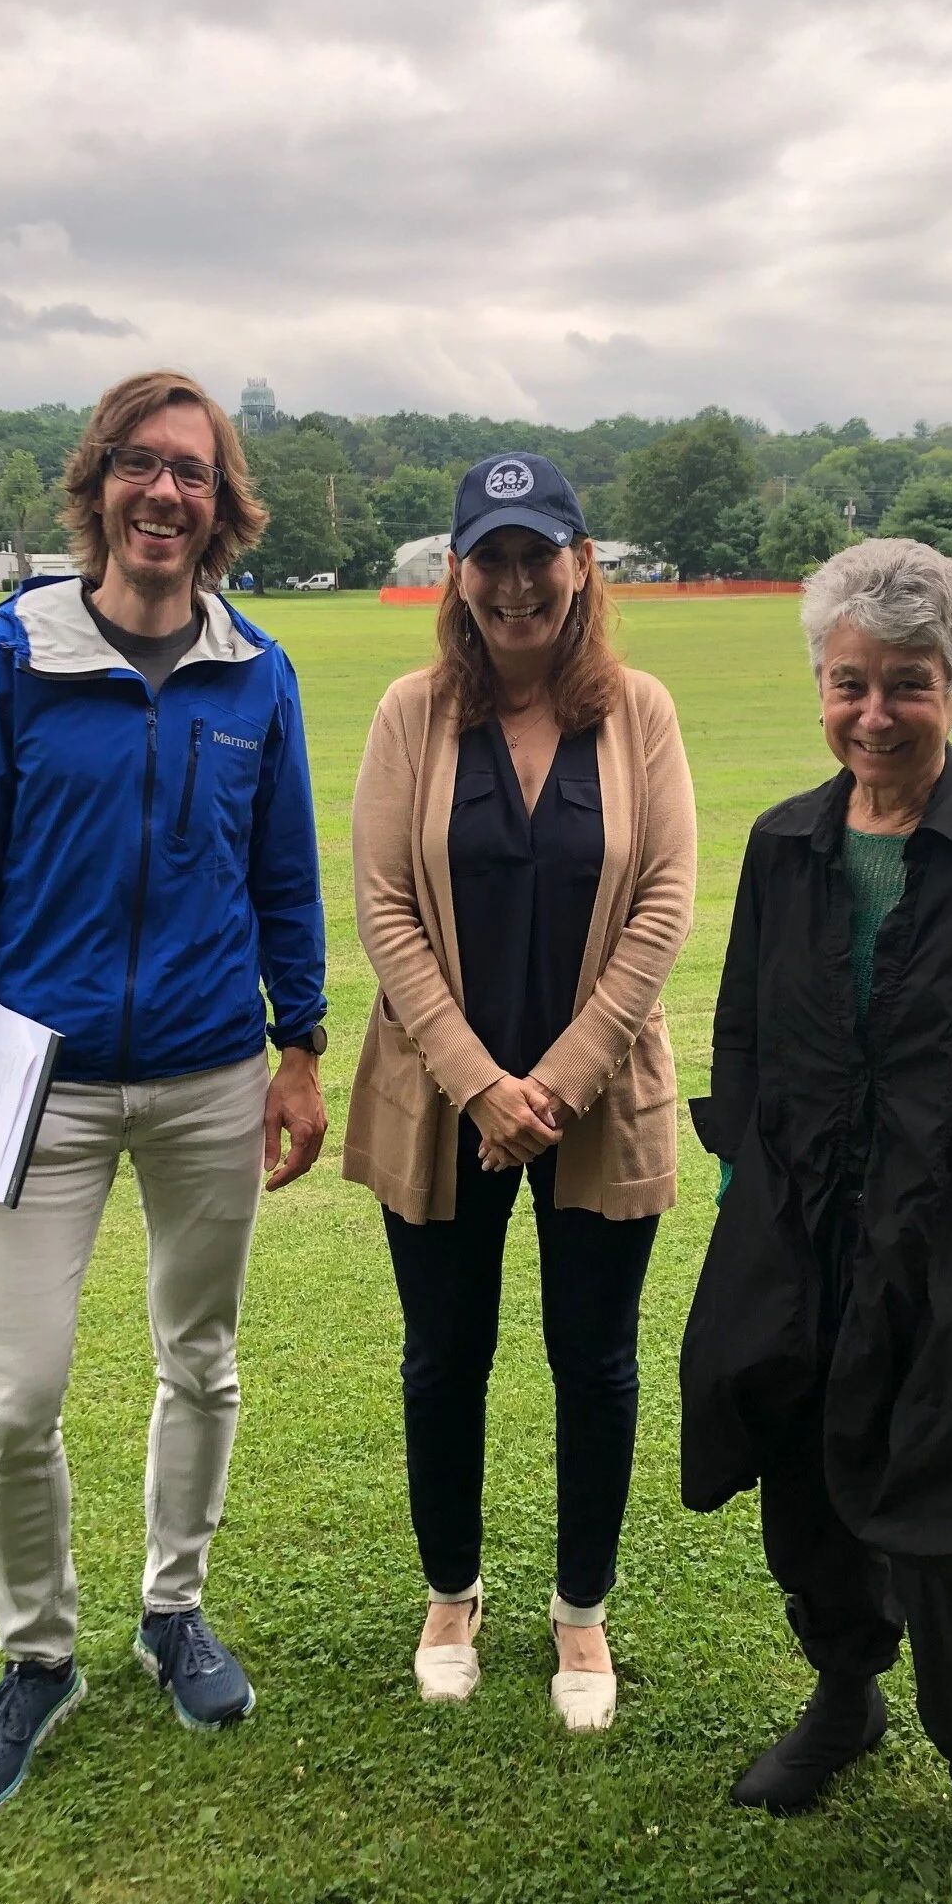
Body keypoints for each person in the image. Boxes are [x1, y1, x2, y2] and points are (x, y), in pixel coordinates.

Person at [0, 368, 329, 1814]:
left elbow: (286, 873)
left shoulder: (255, 672)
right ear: (99, 486)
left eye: (193, 474)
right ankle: (37, 1657)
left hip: (211, 1070)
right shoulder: (9, 657)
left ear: (220, 509)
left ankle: (172, 1608)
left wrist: (302, 1047)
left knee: (197, 1358)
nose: (166, 493)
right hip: (43, 1081)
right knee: (13, 1399)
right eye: (142, 466)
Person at [680, 540, 952, 1904]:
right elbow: (742, 1030)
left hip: (950, 1259)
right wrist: (753, 1193)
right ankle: (845, 1696)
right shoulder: (785, 843)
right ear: (822, 683)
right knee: (806, 1490)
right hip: (799, 1247)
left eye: (908, 686)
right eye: (850, 683)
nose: (875, 714)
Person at [343, 451, 696, 1731]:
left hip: (600, 1098)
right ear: (458, 573)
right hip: (441, 1098)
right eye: (487, 557)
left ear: (580, 563)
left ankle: (582, 1618)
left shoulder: (638, 711)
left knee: (594, 1361)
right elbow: (385, 906)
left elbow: (664, 902)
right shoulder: (412, 712)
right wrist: (483, 1082)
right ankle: (452, 1595)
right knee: (445, 1358)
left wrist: (555, 1079)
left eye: (536, 554)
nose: (512, 583)